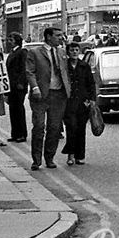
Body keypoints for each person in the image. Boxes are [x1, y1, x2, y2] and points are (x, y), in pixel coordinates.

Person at [25, 27, 71, 170]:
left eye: (61, 35)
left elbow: (67, 72)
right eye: (57, 36)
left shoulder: (62, 52)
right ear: (48, 37)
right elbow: (29, 72)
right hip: (41, 95)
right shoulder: (35, 52)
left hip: (58, 95)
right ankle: (36, 160)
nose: (60, 38)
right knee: (39, 127)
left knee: (55, 128)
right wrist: (34, 87)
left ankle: (49, 158)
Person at [61, 42, 96, 166]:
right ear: (68, 52)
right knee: (71, 128)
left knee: (81, 129)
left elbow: (91, 84)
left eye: (76, 50)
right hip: (69, 102)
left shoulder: (84, 66)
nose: (74, 52)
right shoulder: (64, 66)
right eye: (72, 50)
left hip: (82, 102)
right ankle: (70, 154)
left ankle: (79, 156)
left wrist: (91, 100)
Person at [5, 33, 29, 143]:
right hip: (12, 86)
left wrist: (21, 83)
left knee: (19, 109)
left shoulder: (22, 52)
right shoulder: (12, 52)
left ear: (16, 41)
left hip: (19, 86)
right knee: (13, 109)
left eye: (11, 39)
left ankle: (22, 134)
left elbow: (24, 69)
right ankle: (15, 134)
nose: (8, 41)